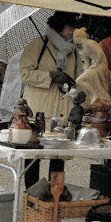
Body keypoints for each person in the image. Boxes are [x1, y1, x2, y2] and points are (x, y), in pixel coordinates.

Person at [19, 11, 80, 187]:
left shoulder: (73, 50)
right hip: (38, 109)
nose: (72, 31)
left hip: (62, 110)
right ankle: (32, 194)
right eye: (70, 27)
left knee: (58, 157)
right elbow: (25, 73)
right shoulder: (37, 45)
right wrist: (50, 76)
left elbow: (79, 76)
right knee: (33, 155)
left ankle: (55, 194)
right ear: (59, 26)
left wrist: (78, 91)